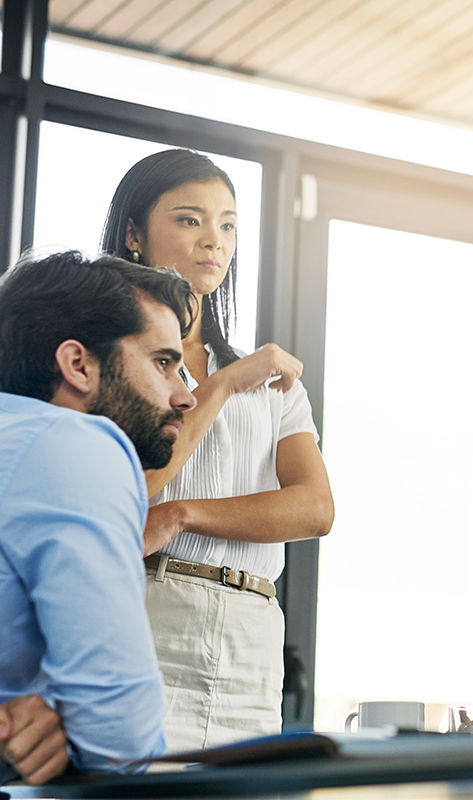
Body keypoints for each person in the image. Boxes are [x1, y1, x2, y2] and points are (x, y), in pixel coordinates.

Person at [100, 149, 335, 750]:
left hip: (254, 632)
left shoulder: (276, 381)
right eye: (189, 219)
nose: (214, 240)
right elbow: (140, 484)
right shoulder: (114, 362)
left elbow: (314, 509)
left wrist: (184, 514)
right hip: (150, 612)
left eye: (227, 224)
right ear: (133, 234)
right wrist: (224, 383)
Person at [0, 251, 197, 782]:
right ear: (79, 365)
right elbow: (121, 739)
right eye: (163, 363)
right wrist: (72, 721)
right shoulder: (75, 443)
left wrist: (43, 706)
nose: (184, 396)